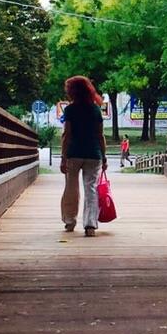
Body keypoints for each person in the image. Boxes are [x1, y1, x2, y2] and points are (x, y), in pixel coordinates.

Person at [59, 74, 108, 235]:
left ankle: (70, 221)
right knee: (91, 189)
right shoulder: (95, 109)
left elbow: (67, 134)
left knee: (71, 188)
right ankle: (90, 225)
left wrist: (63, 157)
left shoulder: (70, 110)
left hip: (73, 153)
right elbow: (100, 135)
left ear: (72, 92)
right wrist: (104, 155)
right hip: (93, 154)